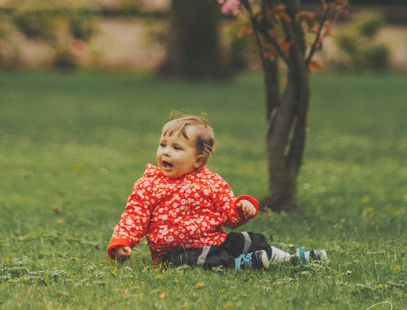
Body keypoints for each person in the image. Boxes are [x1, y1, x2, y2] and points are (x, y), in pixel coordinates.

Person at [108, 115, 327, 270]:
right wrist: (122, 242)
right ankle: (242, 264)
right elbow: (134, 216)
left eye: (176, 148)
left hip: (215, 240)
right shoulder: (149, 184)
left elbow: (229, 214)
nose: (166, 152)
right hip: (174, 253)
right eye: (163, 145)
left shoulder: (211, 182)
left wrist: (242, 207)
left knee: (249, 241)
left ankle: (288, 258)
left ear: (198, 160)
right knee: (202, 260)